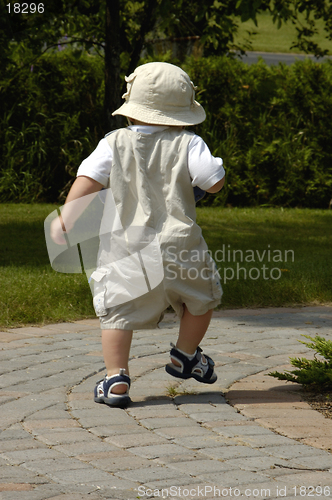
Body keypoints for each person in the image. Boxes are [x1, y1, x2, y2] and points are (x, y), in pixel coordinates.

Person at [50, 62, 225, 408]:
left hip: (125, 248)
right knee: (201, 299)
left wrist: (65, 219)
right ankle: (185, 355)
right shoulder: (189, 142)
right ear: (183, 112)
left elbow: (88, 179)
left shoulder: (113, 143)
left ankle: (116, 379)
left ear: (132, 109)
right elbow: (212, 181)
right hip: (180, 246)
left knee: (118, 313)